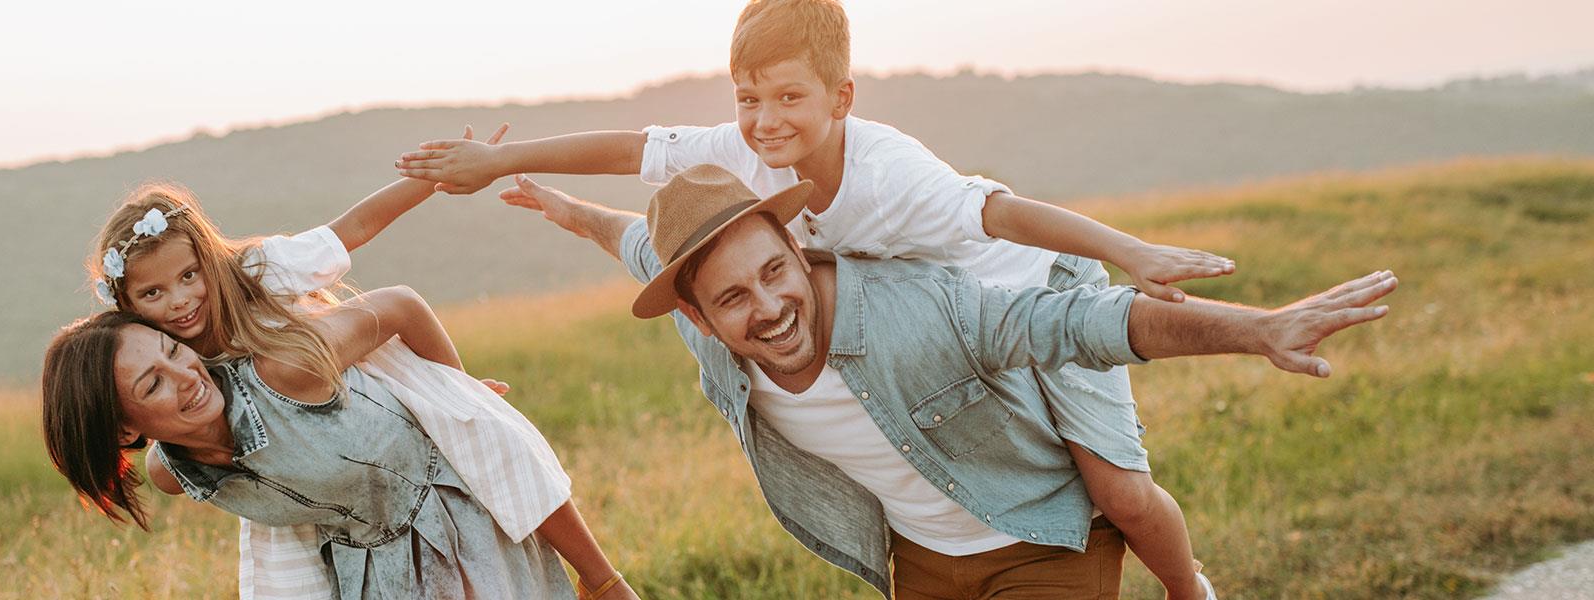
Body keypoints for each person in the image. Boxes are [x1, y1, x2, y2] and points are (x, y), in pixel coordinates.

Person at [396, 2, 1232, 595]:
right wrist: (509, 168)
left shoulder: (891, 173)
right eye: (748, 97)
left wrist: (1128, 250)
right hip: (935, 332)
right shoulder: (741, 147)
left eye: (788, 96)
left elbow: (1005, 213)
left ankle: (1189, 587)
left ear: (842, 98)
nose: (763, 120)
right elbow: (629, 152)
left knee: (1114, 493)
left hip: (1033, 293)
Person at [501, 164, 1393, 599]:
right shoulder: (712, 343)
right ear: (696, 317)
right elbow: (629, 238)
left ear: (795, 247)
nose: (768, 307)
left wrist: (1258, 329)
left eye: (776, 271)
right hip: (922, 567)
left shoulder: (916, 310)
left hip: (1042, 532)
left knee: (1127, 494)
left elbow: (1081, 325)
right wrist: (562, 205)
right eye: (732, 298)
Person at [65, 125, 637, 599]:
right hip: (303, 469)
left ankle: (602, 580)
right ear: (131, 307)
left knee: (485, 439)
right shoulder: (169, 360)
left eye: (188, 276)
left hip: (358, 372)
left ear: (207, 259)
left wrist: (455, 389)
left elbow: (355, 230)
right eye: (154, 295)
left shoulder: (257, 271)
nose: (180, 301)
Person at [42, 310, 581, 598]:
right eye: (153, 384)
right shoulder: (171, 472)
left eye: (173, 351)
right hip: (374, 576)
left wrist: (455, 398)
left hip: (461, 527)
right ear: (122, 430)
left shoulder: (280, 373)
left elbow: (399, 304)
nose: (187, 376)